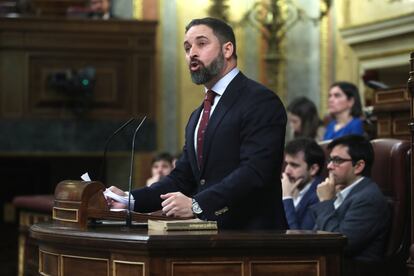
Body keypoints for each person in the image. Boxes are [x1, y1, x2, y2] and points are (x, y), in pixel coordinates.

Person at [107, 17, 288, 230]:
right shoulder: (198, 115)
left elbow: (255, 171)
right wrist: (130, 199)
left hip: (255, 238)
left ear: (227, 49)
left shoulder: (260, 100)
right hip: (210, 238)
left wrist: (198, 204)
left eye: (201, 44)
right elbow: (182, 177)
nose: (191, 53)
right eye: (187, 47)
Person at [311, 135, 390, 275]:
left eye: (337, 160)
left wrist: (326, 202)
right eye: (330, 160)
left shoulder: (368, 198)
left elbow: (340, 245)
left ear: (359, 166)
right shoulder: (342, 191)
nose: (329, 166)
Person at [282, 138, 325, 230]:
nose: (287, 171)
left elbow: (298, 239)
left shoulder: (319, 195)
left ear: (313, 169)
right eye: (287, 164)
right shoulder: (291, 186)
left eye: (294, 165)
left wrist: (286, 197)